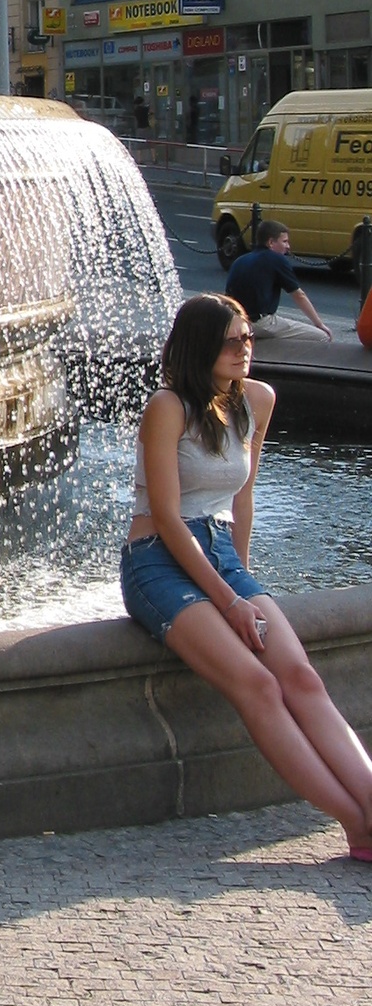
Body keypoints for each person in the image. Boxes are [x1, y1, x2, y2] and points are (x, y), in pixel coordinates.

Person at [122, 295, 372, 861]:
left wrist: (243, 579)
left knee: (300, 677)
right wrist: (230, 601)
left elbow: (243, 499)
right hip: (157, 557)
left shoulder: (257, 399)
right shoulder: (168, 406)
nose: (245, 350)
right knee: (256, 684)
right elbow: (167, 517)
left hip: (221, 552)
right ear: (200, 347)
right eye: (232, 341)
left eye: (248, 338)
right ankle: (357, 823)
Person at [224, 220, 334, 339]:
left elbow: (228, 296)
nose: (288, 247)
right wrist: (319, 324)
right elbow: (299, 295)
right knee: (322, 337)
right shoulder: (276, 259)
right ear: (271, 242)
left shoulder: (239, 261)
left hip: (237, 321)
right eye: (284, 241)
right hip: (261, 322)